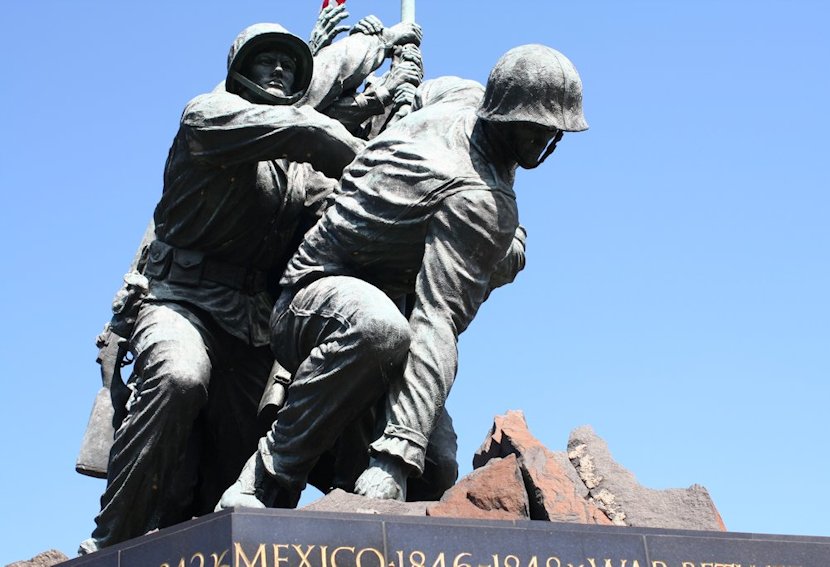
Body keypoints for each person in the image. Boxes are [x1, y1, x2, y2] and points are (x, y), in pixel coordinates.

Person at [81, 17, 421, 553]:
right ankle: (109, 545)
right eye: (268, 60)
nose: (282, 68)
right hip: (182, 303)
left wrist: (401, 139)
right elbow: (311, 130)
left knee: (242, 471)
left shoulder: (297, 173)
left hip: (250, 325)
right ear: (239, 71)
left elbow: (346, 211)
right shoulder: (207, 117)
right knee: (179, 376)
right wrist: (374, 53)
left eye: (291, 62)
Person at [217, 44, 588, 508]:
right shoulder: (480, 201)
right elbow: (437, 322)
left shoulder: (459, 92)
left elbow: (419, 98)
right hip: (311, 297)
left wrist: (407, 96)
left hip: (390, 303)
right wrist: (393, 458)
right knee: (377, 329)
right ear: (504, 115)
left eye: (556, 133)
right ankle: (266, 478)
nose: (546, 144)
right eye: (535, 130)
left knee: (437, 467)